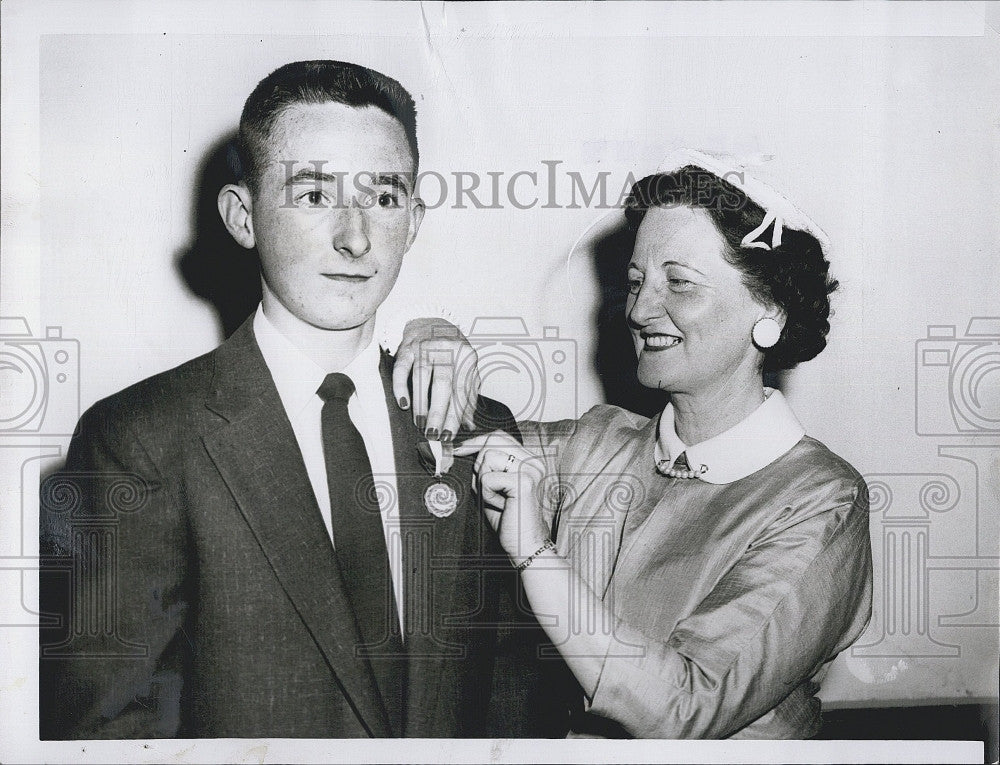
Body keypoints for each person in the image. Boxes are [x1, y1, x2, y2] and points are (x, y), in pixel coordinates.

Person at [38, 60, 566, 739]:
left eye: (383, 197)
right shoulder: (141, 438)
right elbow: (108, 728)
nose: (355, 236)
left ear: (415, 219)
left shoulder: (476, 425)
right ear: (241, 216)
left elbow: (510, 699)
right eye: (314, 196)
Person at [457, 153, 874, 738]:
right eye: (635, 281)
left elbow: (685, 707)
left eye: (678, 282)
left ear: (770, 313)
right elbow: (458, 447)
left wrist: (534, 553)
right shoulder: (601, 442)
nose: (639, 309)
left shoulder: (821, 501)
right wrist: (440, 346)